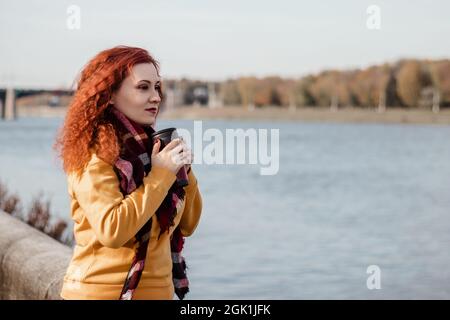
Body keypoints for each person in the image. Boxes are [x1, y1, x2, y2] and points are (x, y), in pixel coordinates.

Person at [54, 46, 202, 300]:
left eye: (157, 87)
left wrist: (183, 172)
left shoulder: (152, 149)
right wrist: (161, 176)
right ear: (109, 93)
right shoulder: (94, 151)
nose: (156, 97)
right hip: (100, 293)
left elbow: (188, 225)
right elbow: (113, 230)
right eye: (143, 87)